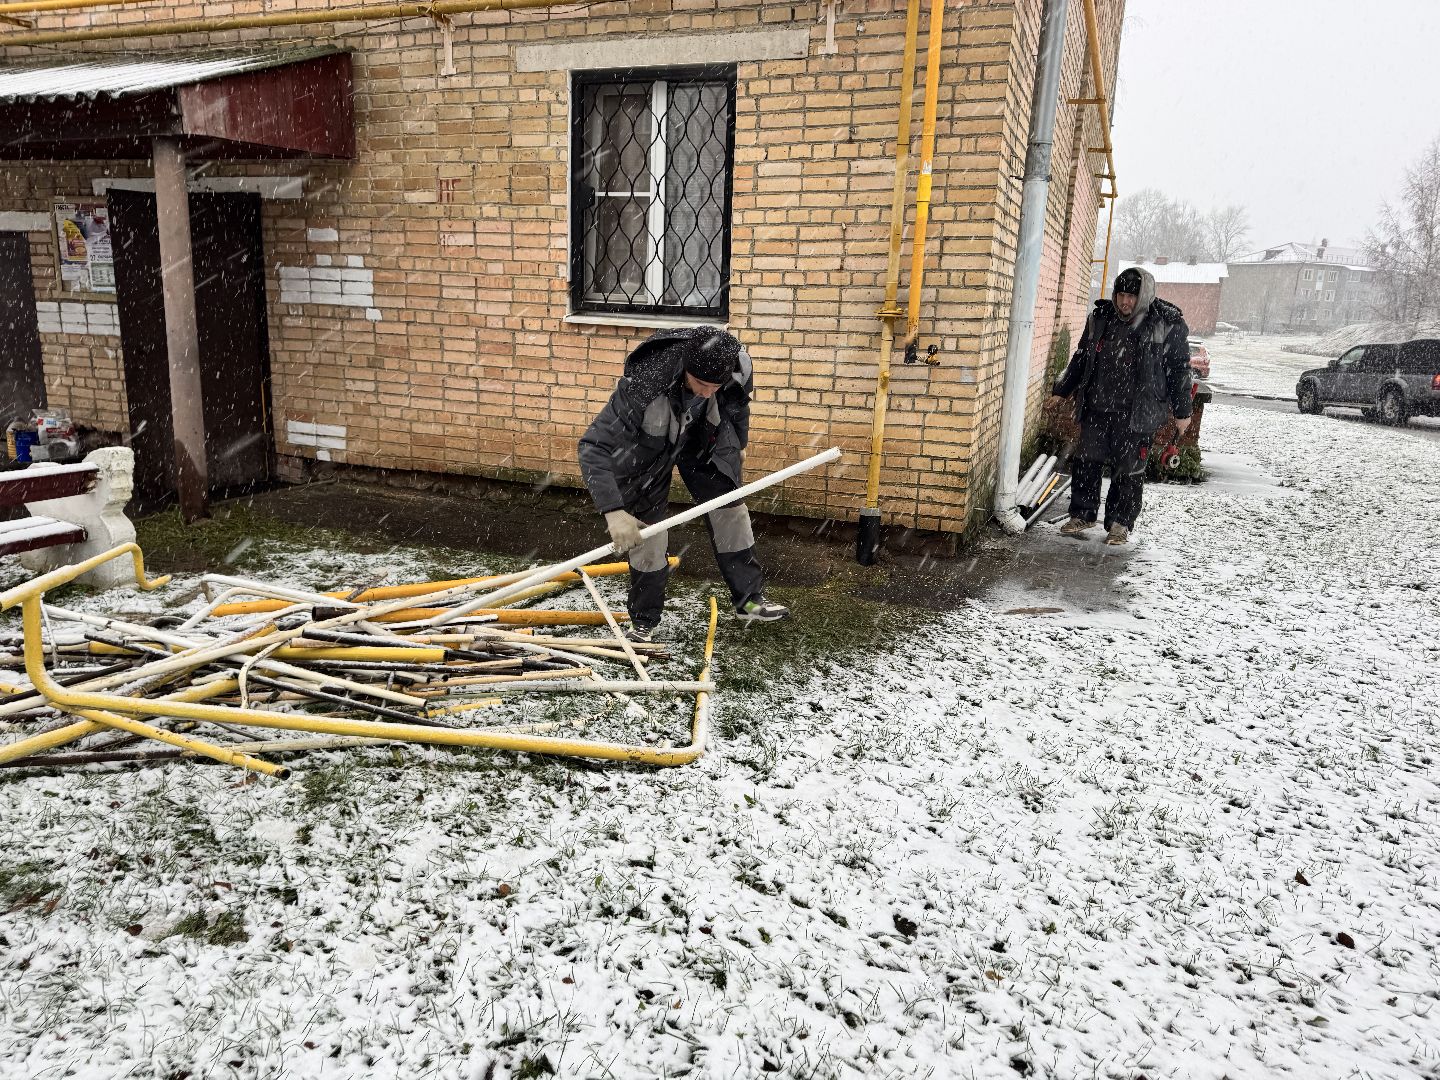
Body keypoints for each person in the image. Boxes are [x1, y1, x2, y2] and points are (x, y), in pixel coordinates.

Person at [578, 326, 789, 641]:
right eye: (700, 383)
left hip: (705, 437)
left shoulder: (737, 366)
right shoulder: (645, 382)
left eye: (714, 385)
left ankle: (750, 601)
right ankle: (644, 622)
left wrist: (738, 446)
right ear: (685, 369)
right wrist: (613, 510)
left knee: (731, 509)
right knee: (648, 533)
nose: (706, 391)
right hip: (647, 449)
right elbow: (592, 446)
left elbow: (738, 406)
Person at [1049, 266, 1193, 545]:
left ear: (1144, 296)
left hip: (1137, 414)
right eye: (1121, 295)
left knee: (1128, 471)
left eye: (1132, 296)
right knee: (1087, 463)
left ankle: (1119, 523)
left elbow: (1179, 369)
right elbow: (1081, 357)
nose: (1125, 302)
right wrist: (1062, 391)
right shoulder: (1101, 318)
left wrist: (1183, 411)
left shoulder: (1166, 322)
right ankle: (1083, 514)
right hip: (1097, 407)